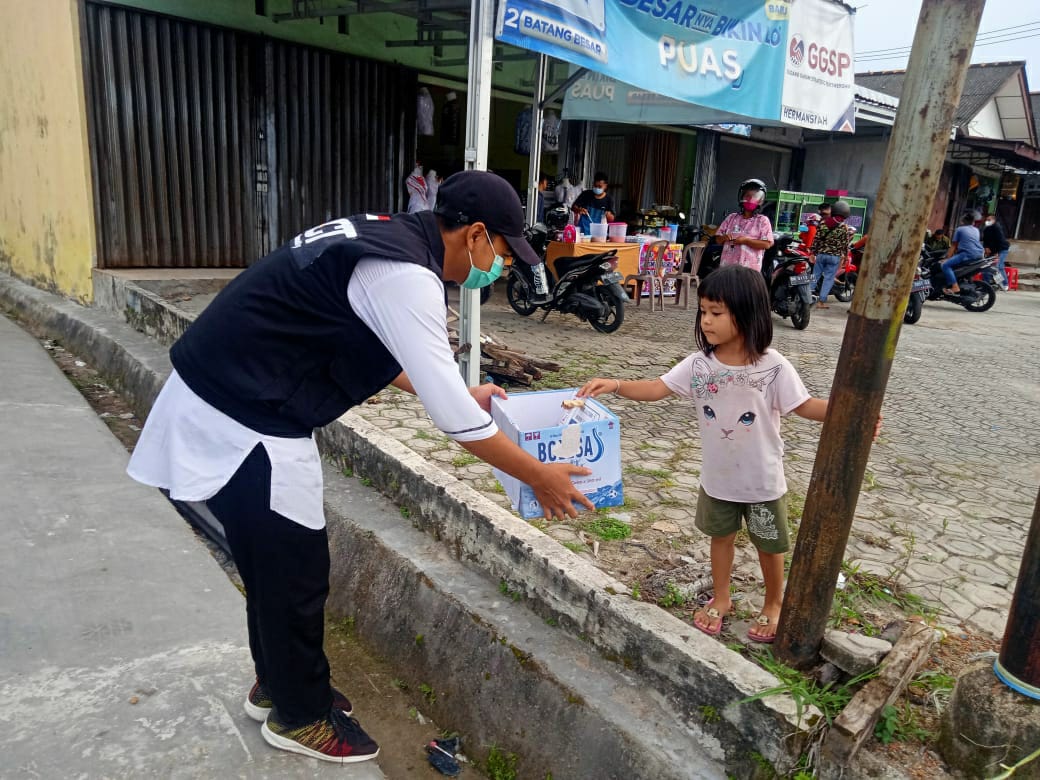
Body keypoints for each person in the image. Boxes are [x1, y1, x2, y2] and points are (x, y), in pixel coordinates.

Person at [126, 171, 594, 764]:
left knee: (274, 565)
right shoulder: (405, 275)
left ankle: (280, 685)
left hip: (232, 394)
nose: (497, 268)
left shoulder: (390, 236)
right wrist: (538, 474)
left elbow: (377, 342)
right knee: (295, 573)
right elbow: (457, 422)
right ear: (475, 234)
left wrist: (447, 387)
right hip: (242, 415)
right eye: (500, 251)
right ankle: (299, 715)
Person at [577, 265, 880, 643]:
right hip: (718, 479)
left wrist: (854, 416)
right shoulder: (699, 365)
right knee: (720, 539)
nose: (706, 320)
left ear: (747, 312)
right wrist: (618, 385)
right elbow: (658, 388)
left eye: (716, 312)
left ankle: (774, 603)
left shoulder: (773, 365)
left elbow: (803, 406)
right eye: (703, 311)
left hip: (762, 483)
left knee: (769, 546)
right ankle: (722, 597)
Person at [714, 178, 774, 272]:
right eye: (747, 196)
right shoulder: (731, 218)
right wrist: (724, 238)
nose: (750, 199)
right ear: (741, 197)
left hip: (749, 271)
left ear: (760, 200)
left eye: (755, 196)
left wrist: (746, 241)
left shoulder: (762, 221)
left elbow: (767, 244)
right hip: (727, 269)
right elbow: (718, 240)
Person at [810, 199, 856, 309]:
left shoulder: (823, 224)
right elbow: (845, 244)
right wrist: (844, 256)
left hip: (821, 255)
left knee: (814, 276)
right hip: (834, 257)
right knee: (828, 279)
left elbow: (816, 240)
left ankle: (808, 296)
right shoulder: (843, 227)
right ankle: (821, 302)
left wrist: (813, 253)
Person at [942, 211, 985, 295]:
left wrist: (946, 258)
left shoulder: (960, 229)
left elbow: (954, 246)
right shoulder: (976, 230)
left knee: (945, 265)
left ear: (962, 221)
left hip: (968, 254)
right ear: (973, 222)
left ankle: (955, 287)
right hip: (980, 254)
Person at [982, 213, 1010, 291]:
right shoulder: (987, 228)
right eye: (986, 220)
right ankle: (986, 284)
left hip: (1001, 249)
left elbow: (1000, 241)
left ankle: (1004, 284)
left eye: (989, 220)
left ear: (994, 220)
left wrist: (997, 253)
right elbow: (985, 240)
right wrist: (986, 247)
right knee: (986, 266)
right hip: (991, 250)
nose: (987, 221)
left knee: (998, 266)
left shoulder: (997, 228)